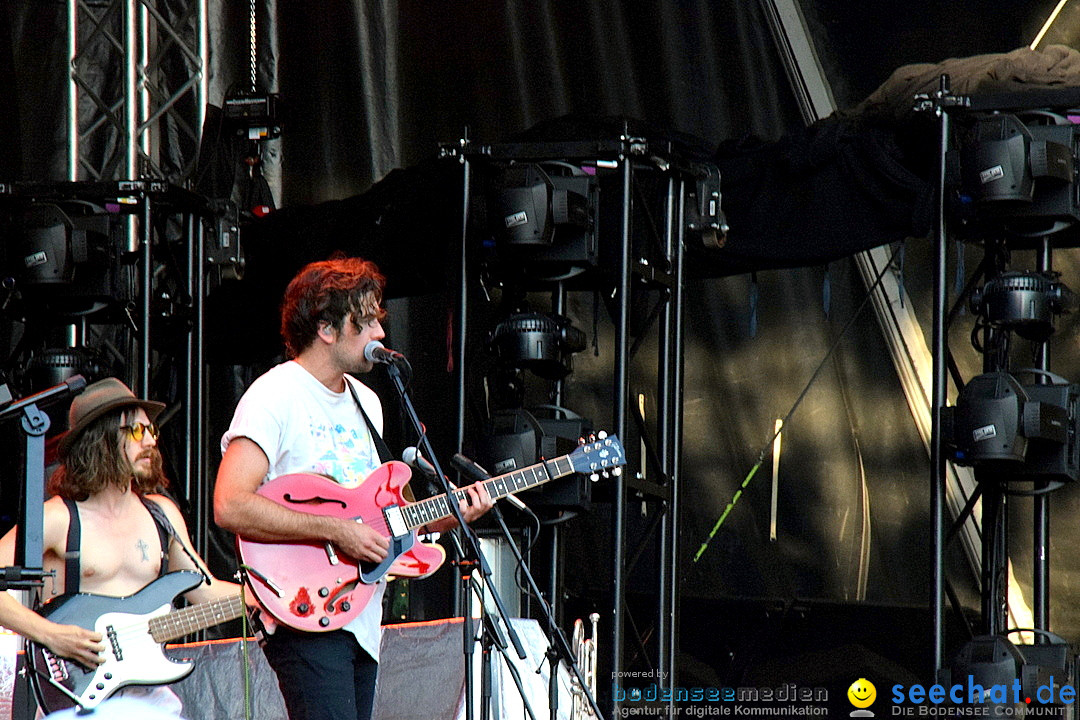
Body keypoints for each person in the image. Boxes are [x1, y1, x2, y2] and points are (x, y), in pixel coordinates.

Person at [214, 256, 493, 720]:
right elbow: (230, 504)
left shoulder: (368, 402)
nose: (380, 335)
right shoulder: (273, 396)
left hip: (361, 613)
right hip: (302, 608)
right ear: (326, 328)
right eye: (364, 323)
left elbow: (381, 517)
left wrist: (452, 513)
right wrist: (337, 532)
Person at [0, 377, 241, 715]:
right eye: (136, 432)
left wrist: (267, 601)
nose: (150, 443)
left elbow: (205, 590)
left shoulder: (162, 514)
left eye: (151, 432)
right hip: (75, 697)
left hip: (152, 700)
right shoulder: (58, 518)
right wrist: (52, 635)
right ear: (101, 439)